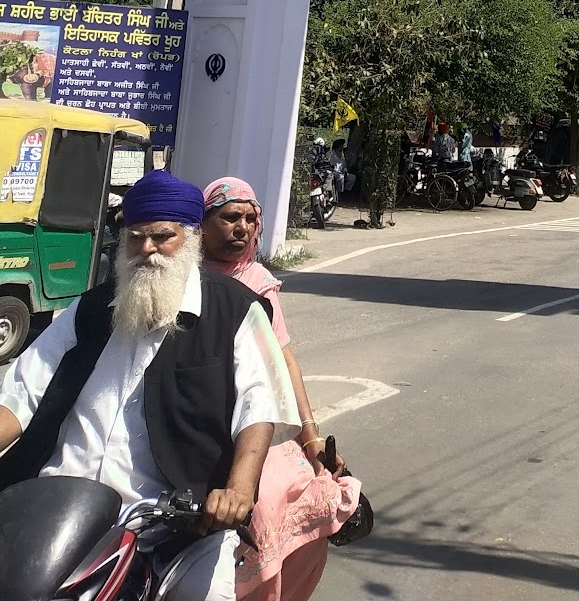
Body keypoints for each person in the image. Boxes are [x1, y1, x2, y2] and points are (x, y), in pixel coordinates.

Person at [0, 170, 298, 601]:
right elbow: (20, 394)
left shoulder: (235, 310)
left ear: (191, 237)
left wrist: (238, 490)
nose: (146, 249)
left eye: (162, 237)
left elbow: (259, 405)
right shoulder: (88, 311)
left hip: (175, 526)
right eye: (135, 237)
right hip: (57, 516)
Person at [201, 178, 363, 601]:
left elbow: (284, 360)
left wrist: (310, 438)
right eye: (229, 217)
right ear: (202, 223)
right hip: (195, 416)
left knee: (281, 504)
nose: (242, 227)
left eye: (250, 218)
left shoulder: (258, 281)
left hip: (255, 424)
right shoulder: (180, 275)